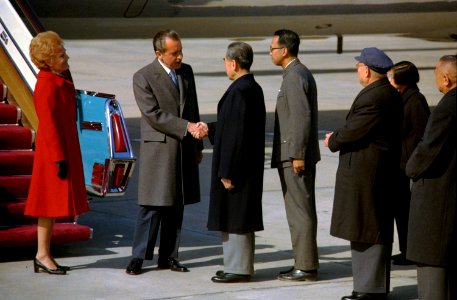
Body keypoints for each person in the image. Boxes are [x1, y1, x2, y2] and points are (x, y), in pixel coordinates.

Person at [324, 47, 403, 300]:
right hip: (371, 172)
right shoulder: (384, 93)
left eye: (359, 66)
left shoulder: (375, 97)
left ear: (366, 70)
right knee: (365, 228)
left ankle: (371, 289)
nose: (358, 69)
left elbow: (354, 130)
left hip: (369, 174)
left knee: (369, 229)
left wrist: (333, 139)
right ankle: (368, 286)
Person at [125, 29, 205, 275]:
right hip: (159, 148)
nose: (179, 57)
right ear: (158, 53)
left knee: (176, 204)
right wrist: (187, 127)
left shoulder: (186, 71)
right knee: (152, 205)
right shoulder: (143, 77)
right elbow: (153, 115)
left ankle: (169, 256)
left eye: (181, 51)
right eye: (174, 53)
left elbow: (193, 107)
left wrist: (197, 144)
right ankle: (139, 256)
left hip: (182, 147)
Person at [25, 31, 90, 275]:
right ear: (48, 60)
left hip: (61, 149)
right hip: (53, 153)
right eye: (61, 55)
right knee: (47, 205)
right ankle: (42, 254)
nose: (67, 58)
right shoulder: (46, 85)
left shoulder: (56, 81)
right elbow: (48, 124)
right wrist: (58, 158)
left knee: (50, 206)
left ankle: (44, 254)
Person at [205, 42, 266, 283]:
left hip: (238, 168)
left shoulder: (239, 91)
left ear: (233, 63)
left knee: (237, 217)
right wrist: (209, 128)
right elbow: (231, 127)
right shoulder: (252, 87)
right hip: (246, 166)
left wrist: (227, 171)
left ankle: (239, 269)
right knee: (235, 216)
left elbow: (236, 135)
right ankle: (234, 265)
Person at [269, 29, 321, 282]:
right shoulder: (295, 73)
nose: (270, 53)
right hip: (293, 154)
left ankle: (306, 266)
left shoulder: (294, 76)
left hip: (294, 156)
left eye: (272, 49)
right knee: (300, 210)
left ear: (284, 50)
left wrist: (297, 154)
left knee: (300, 211)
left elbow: (302, 117)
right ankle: (304, 262)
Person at [405, 54, 456, 300]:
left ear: (446, 79)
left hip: (438, 202)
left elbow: (429, 148)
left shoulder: (447, 107)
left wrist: (411, 168)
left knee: (432, 280)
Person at [387, 61, 430, 266]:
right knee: (400, 211)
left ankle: (411, 251)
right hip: (399, 166)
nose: (389, 79)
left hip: (408, 166)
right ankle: (406, 249)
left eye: (392, 76)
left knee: (407, 212)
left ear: (401, 80)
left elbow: (423, 136)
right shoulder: (402, 98)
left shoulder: (415, 101)